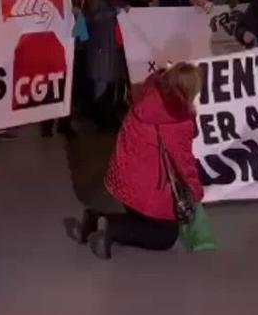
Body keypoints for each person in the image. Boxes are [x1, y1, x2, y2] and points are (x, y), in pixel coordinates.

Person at [86, 63, 203, 259]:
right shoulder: (176, 119)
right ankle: (113, 230)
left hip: (122, 180)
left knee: (144, 218)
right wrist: (196, 192)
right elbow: (184, 162)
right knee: (166, 234)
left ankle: (96, 218)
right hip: (144, 188)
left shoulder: (148, 92)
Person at [83, 0, 128, 132]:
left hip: (111, 41)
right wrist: (115, 12)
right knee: (101, 79)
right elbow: (93, 18)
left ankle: (108, 114)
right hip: (100, 42)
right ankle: (100, 116)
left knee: (111, 79)